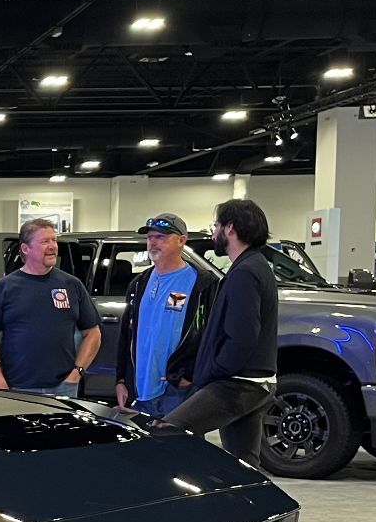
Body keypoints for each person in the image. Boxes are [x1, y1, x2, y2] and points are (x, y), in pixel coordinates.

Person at [159, 198, 280, 467]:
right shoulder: (255, 266)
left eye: (217, 226)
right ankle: (250, 507)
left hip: (238, 384)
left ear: (231, 229)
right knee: (243, 465)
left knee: (168, 433)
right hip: (254, 382)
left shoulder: (245, 273)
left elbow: (242, 337)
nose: (213, 232)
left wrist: (211, 371)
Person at [0, 219, 100, 397]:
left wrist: (76, 373)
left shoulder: (72, 285)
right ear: (25, 249)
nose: (52, 246)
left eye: (54, 240)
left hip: (64, 388)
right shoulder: (5, 288)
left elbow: (93, 333)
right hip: (16, 387)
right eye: (44, 241)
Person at [115, 213, 219, 418]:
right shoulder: (139, 283)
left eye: (161, 237)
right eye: (150, 237)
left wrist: (189, 376)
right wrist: (121, 379)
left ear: (182, 241)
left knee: (181, 449)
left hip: (179, 391)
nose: (153, 242)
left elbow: (211, 336)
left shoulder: (203, 284)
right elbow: (127, 336)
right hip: (141, 392)